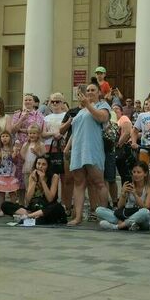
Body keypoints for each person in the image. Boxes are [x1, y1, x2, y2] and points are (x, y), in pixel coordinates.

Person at [66, 84, 111, 226]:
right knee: (79, 183)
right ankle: (78, 217)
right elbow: (75, 131)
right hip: (78, 150)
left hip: (92, 148)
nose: (90, 92)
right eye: (88, 90)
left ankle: (103, 215)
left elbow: (102, 118)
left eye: (93, 90)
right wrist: (67, 147)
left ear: (99, 93)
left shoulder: (103, 105)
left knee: (98, 182)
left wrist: (89, 105)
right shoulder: (81, 110)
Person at [1, 155, 65, 225]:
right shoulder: (33, 175)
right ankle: (33, 216)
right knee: (5, 205)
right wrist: (34, 181)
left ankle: (28, 217)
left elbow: (50, 199)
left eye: (44, 164)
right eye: (38, 163)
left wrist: (42, 181)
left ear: (48, 166)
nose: (40, 166)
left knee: (58, 207)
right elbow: (28, 200)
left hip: (46, 207)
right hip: (33, 208)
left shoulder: (54, 177)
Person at [96, 163, 150, 231]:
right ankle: (128, 225)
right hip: (126, 214)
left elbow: (146, 207)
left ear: (145, 174)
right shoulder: (129, 185)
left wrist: (135, 194)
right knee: (99, 210)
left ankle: (117, 226)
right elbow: (120, 206)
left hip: (140, 218)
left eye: (139, 172)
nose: (135, 174)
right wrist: (123, 193)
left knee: (145, 212)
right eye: (134, 172)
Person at [0, 131, 20, 215]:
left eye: (6, 136)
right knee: (1, 193)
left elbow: (16, 162)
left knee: (12, 192)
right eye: (2, 136)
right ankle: (2, 209)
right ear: (0, 139)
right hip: (1, 174)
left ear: (10, 138)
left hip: (11, 173)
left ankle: (13, 209)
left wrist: (15, 155)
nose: (4, 138)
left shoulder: (13, 149)